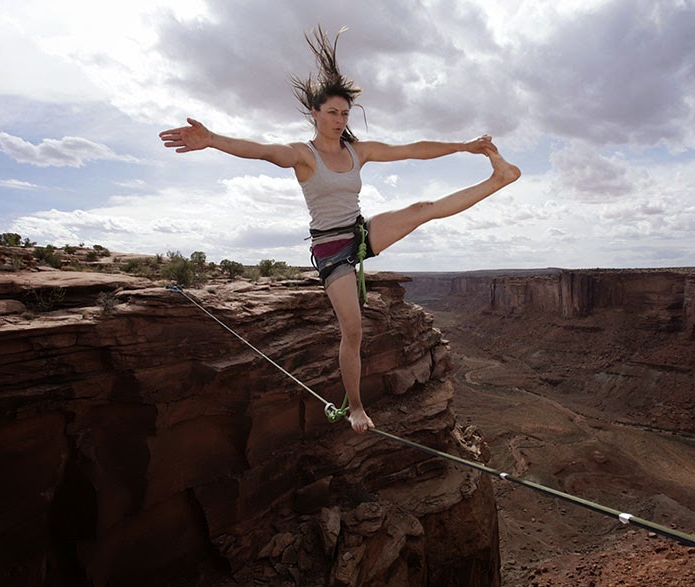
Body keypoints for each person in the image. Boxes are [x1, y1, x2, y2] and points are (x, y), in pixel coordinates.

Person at [160, 26, 520, 434]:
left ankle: (498, 179)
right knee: (352, 329)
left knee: (423, 209)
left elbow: (413, 149)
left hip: (359, 233)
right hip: (331, 252)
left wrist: (464, 146)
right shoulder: (303, 155)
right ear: (315, 113)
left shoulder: (357, 151)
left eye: (345, 113)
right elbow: (261, 150)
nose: (339, 119)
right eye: (332, 112)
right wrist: (212, 140)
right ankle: (357, 408)